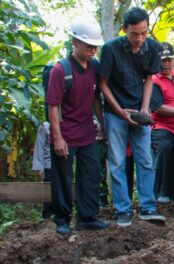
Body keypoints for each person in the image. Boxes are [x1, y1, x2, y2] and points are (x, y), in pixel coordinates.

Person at [99, 7, 164, 227]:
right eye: (135, 33)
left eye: (144, 33)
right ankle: (123, 209)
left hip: (139, 111)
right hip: (115, 112)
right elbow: (102, 84)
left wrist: (145, 108)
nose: (140, 38)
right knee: (117, 162)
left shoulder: (153, 47)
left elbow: (149, 79)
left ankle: (148, 206)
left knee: (145, 160)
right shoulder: (110, 49)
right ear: (125, 29)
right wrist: (118, 111)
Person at [46, 18, 109, 234]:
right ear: (75, 42)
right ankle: (62, 219)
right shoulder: (60, 70)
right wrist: (58, 138)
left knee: (90, 174)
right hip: (65, 133)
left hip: (86, 133)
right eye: (88, 46)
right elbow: (53, 106)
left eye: (95, 47)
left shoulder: (95, 67)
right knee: (63, 177)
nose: (92, 51)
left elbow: (95, 97)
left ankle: (87, 217)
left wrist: (101, 124)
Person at [151, 42, 174, 203]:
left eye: (168, 60)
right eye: (162, 60)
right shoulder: (154, 79)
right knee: (165, 150)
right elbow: (158, 108)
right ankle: (161, 193)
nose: (166, 63)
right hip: (162, 127)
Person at [31, 121, 54, 219]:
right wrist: (40, 168)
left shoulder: (68, 123)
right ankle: (47, 215)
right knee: (48, 191)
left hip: (63, 164)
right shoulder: (45, 127)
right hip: (48, 165)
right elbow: (39, 148)